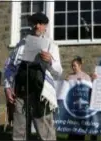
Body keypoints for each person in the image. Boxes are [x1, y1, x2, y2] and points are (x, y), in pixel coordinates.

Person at [4, 12, 62, 140]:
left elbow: (58, 72)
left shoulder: (51, 45)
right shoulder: (21, 44)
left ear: (45, 26)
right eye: (35, 23)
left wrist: (50, 62)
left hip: (40, 92)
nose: (37, 26)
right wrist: (8, 87)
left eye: (40, 23)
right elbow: (9, 67)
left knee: (45, 132)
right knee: (19, 131)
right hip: (21, 92)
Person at [67, 56, 98, 141]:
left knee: (80, 128)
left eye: (75, 65)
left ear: (80, 66)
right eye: (72, 66)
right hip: (72, 107)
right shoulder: (69, 77)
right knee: (72, 128)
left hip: (82, 107)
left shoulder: (86, 77)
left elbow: (89, 90)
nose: (73, 67)